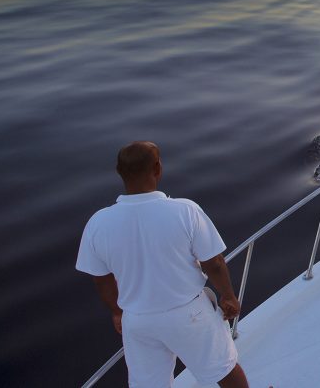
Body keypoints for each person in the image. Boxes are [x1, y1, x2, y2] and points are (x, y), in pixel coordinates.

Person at [76, 141, 250, 388]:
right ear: (158, 168)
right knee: (222, 369)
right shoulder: (185, 210)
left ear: (119, 172)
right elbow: (215, 263)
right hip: (189, 314)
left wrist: (117, 311)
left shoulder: (98, 223)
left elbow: (101, 279)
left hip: (137, 322)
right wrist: (229, 296)